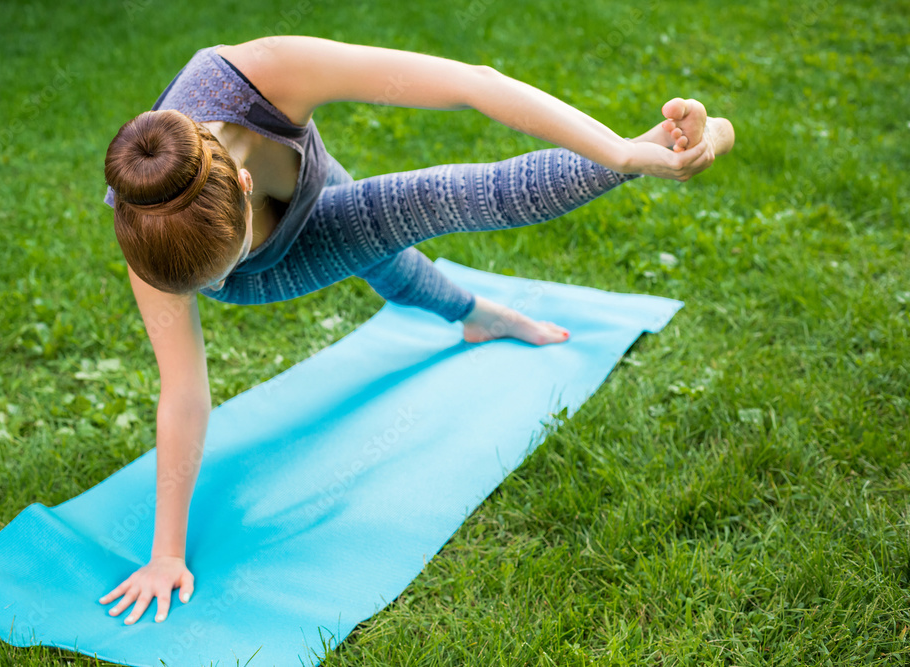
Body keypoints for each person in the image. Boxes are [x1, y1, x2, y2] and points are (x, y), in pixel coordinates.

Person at [98, 35, 735, 626]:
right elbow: (184, 392)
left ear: (242, 182)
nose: (204, 291)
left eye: (219, 267)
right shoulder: (155, 241)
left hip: (311, 191)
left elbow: (472, 83)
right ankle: (660, 156)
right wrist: (165, 554)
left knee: (439, 200)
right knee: (376, 234)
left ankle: (630, 166)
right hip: (265, 274)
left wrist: (618, 151)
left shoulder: (256, 77)